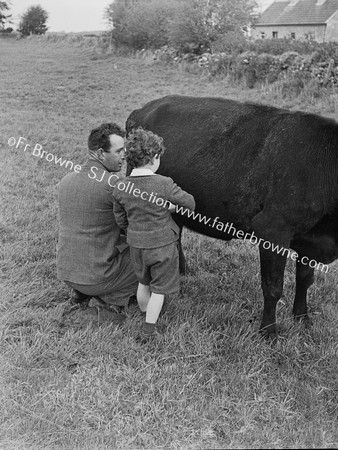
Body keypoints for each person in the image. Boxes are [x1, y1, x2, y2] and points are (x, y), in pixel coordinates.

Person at [113, 127, 195, 340]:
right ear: (153, 159)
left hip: (137, 244)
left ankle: (144, 312)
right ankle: (149, 330)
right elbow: (190, 203)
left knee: (143, 282)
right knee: (159, 290)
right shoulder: (164, 184)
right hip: (163, 245)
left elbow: (120, 218)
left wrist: (131, 229)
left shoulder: (121, 186)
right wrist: (173, 208)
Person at [56, 123, 138, 313]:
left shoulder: (66, 180)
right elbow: (134, 225)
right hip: (97, 276)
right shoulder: (115, 184)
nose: (124, 156)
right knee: (150, 255)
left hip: (66, 272)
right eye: (119, 151)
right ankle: (111, 298)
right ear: (101, 153)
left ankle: (81, 292)